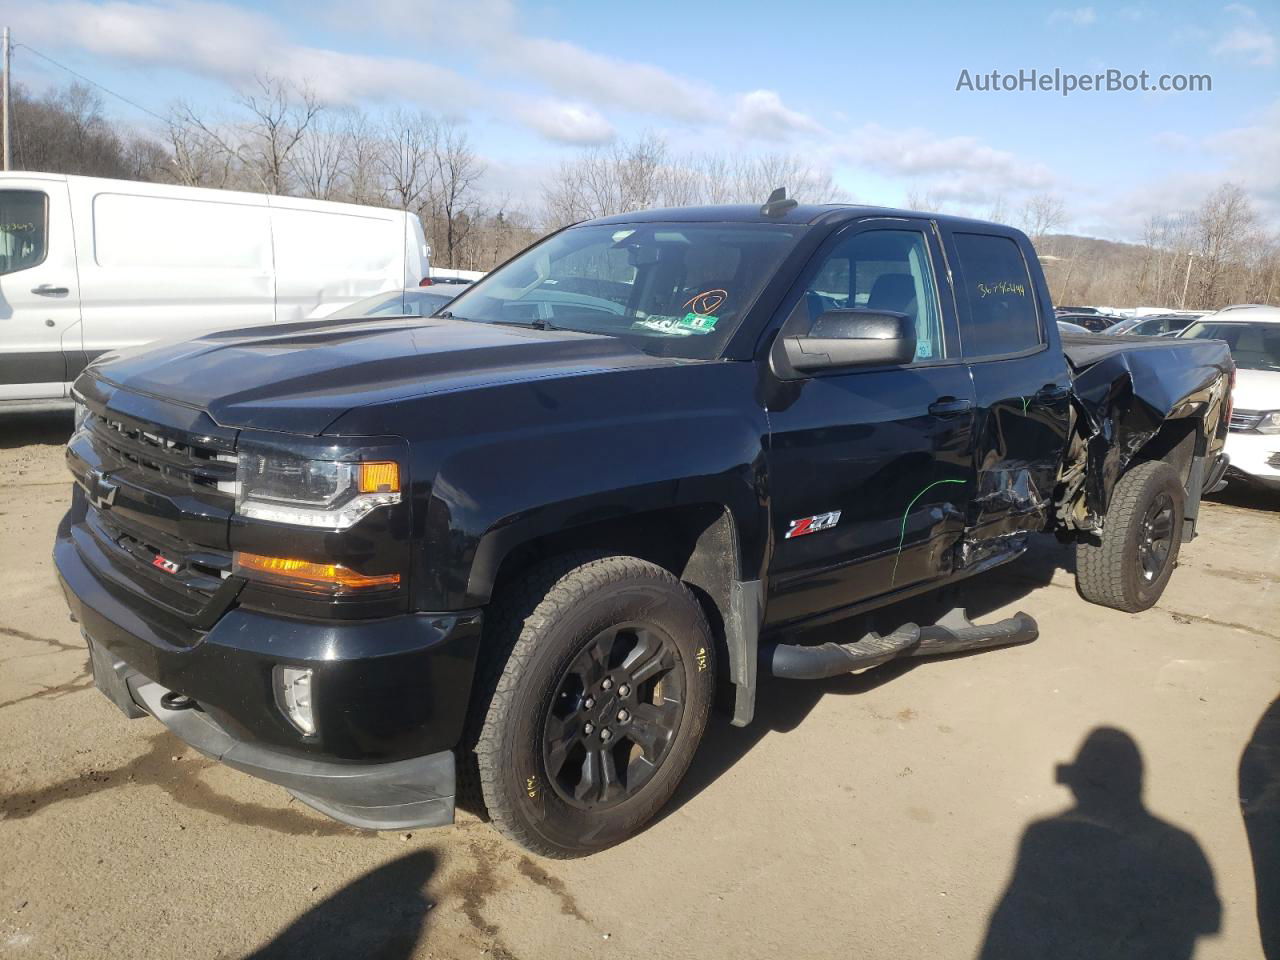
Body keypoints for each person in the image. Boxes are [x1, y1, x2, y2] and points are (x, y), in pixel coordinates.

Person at [979, 727, 1220, 960]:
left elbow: (1006, 933)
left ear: (1078, 784)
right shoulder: (1176, 845)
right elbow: (1208, 921)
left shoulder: (1048, 837)